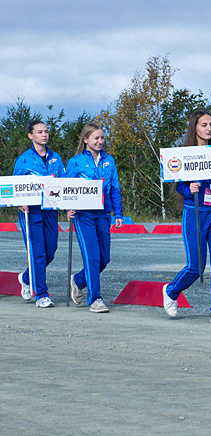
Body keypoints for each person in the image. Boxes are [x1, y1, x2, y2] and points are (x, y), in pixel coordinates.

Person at [162, 111, 211, 324]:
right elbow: (178, 184)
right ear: (194, 128)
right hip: (194, 212)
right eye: (204, 125)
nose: (209, 129)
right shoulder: (185, 154)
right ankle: (171, 291)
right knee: (196, 266)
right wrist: (189, 189)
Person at [65, 123, 123, 313]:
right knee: (92, 257)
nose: (100, 141)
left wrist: (118, 213)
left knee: (104, 259)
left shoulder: (109, 160)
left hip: (104, 215)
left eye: (102, 138)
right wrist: (68, 208)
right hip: (84, 216)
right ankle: (95, 299)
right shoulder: (75, 162)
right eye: (96, 138)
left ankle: (78, 280)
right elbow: (67, 189)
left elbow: (114, 187)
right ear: (86, 139)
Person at [13, 120, 65, 308]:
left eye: (46, 131)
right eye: (39, 132)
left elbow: (63, 183)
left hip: (51, 210)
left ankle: (26, 277)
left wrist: (68, 205)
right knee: (38, 253)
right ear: (31, 135)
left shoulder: (56, 158)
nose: (44, 135)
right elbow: (14, 187)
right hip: (31, 212)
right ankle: (41, 294)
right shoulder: (24, 159)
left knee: (50, 252)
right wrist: (19, 202)